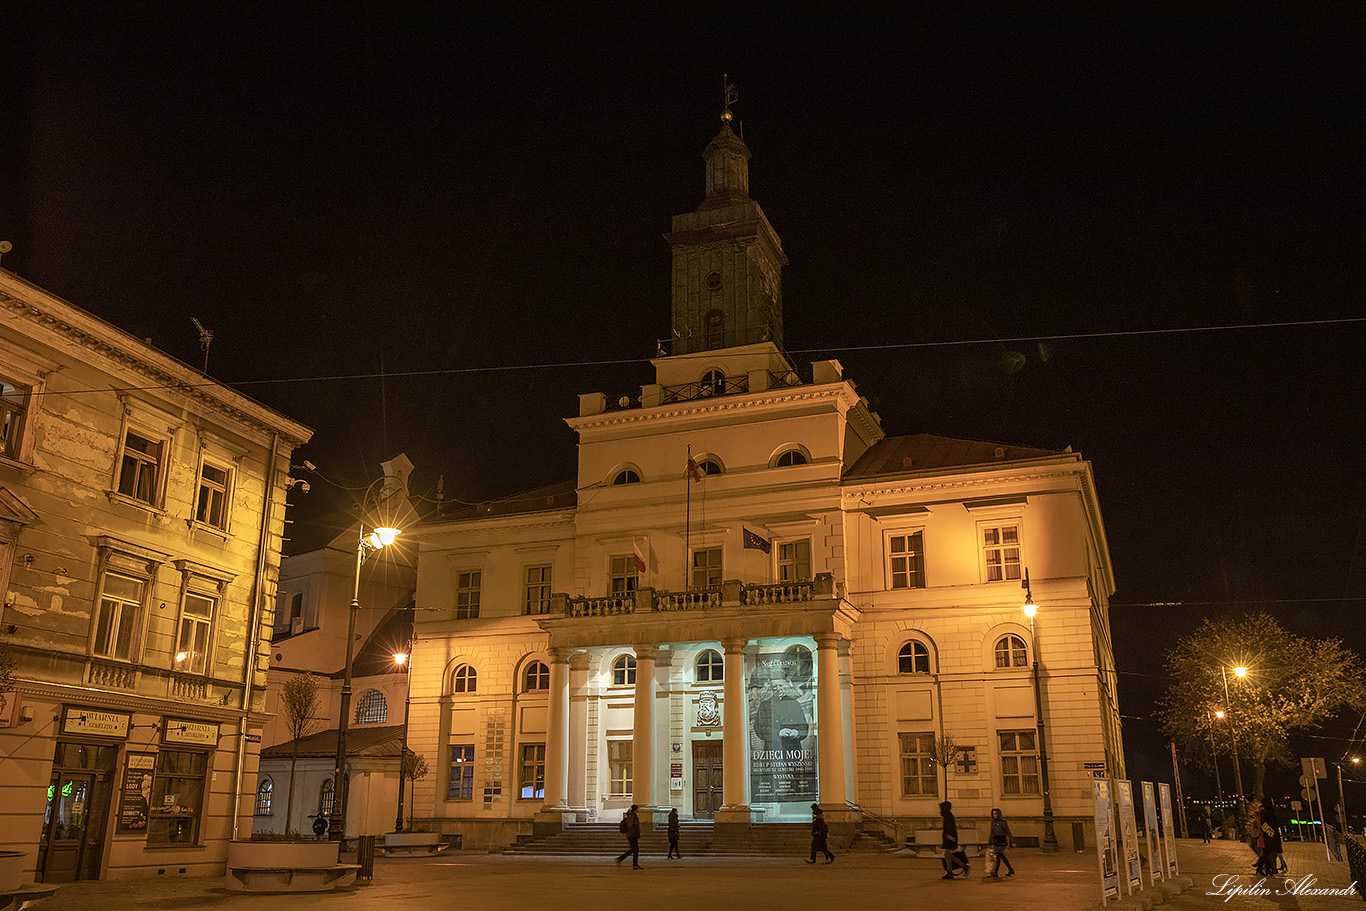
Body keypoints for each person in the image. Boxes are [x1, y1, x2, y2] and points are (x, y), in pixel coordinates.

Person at [940, 801, 968, 879]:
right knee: (948, 855)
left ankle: (952, 871)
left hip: (949, 837)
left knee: (947, 855)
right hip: (948, 837)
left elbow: (950, 827)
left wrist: (950, 836)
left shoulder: (948, 816)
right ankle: (960, 867)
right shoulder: (948, 816)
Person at [988, 808, 1015, 877]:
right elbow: (992, 833)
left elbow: (1008, 832)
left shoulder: (1003, 822)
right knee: (1001, 856)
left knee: (998, 856)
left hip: (1002, 840)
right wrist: (990, 842)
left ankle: (996, 872)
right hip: (995, 841)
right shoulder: (993, 822)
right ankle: (1010, 869)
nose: (994, 815)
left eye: (996, 814)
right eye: (993, 814)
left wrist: (1012, 841)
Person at [616, 804, 642, 869]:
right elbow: (630, 825)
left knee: (633, 849)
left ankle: (621, 859)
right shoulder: (632, 816)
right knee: (635, 849)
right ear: (636, 809)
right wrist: (634, 833)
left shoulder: (631, 815)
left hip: (632, 835)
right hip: (632, 835)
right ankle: (634, 864)